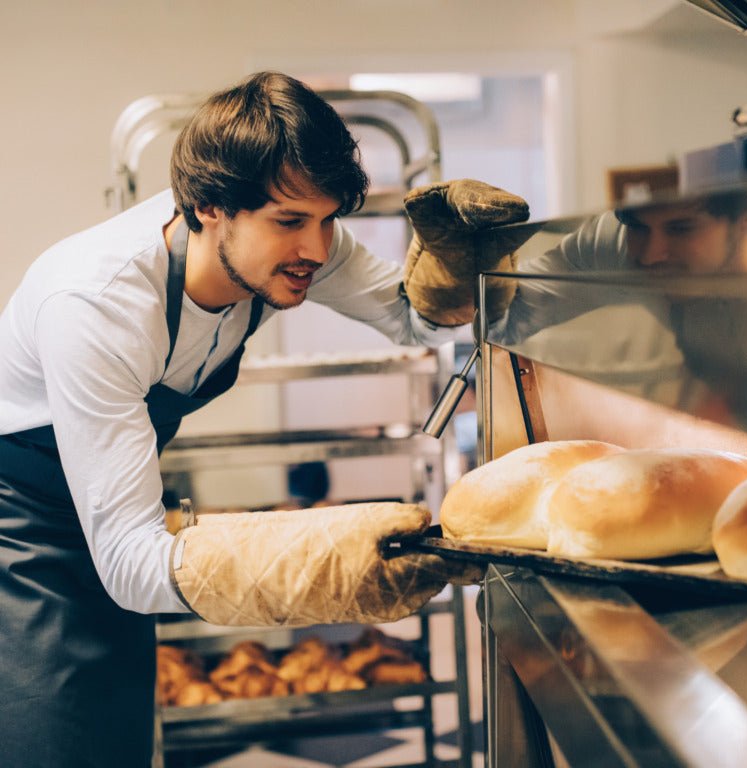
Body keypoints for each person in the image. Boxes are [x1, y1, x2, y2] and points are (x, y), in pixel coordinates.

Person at [0, 71, 525, 766]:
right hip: (21, 528)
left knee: (119, 738)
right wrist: (319, 562)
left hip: (107, 517)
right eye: (290, 223)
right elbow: (129, 564)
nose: (317, 247)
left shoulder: (296, 243)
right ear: (210, 206)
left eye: (328, 218)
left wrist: (454, 263)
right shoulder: (96, 305)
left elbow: (414, 321)